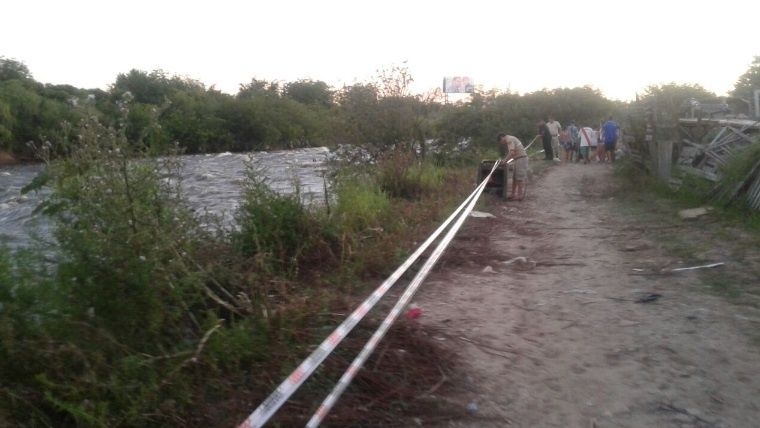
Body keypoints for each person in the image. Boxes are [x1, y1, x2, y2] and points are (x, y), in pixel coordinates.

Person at [497, 133, 529, 200]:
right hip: (517, 159)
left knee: (519, 178)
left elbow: (512, 153)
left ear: (502, 138)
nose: (502, 143)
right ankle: (512, 194)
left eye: (501, 142)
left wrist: (504, 161)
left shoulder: (509, 139)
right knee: (514, 178)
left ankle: (520, 196)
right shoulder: (511, 138)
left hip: (521, 159)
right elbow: (512, 153)